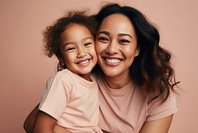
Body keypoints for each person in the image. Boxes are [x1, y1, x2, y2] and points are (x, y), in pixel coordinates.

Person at [24, 3, 179, 133]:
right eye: (103, 38)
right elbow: (32, 124)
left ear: (137, 49)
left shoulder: (158, 95)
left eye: (123, 41)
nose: (111, 49)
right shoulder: (80, 79)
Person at [32, 11, 103, 133]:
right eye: (71, 48)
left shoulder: (95, 80)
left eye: (87, 44)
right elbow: (41, 129)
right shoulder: (63, 80)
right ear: (61, 58)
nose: (81, 53)